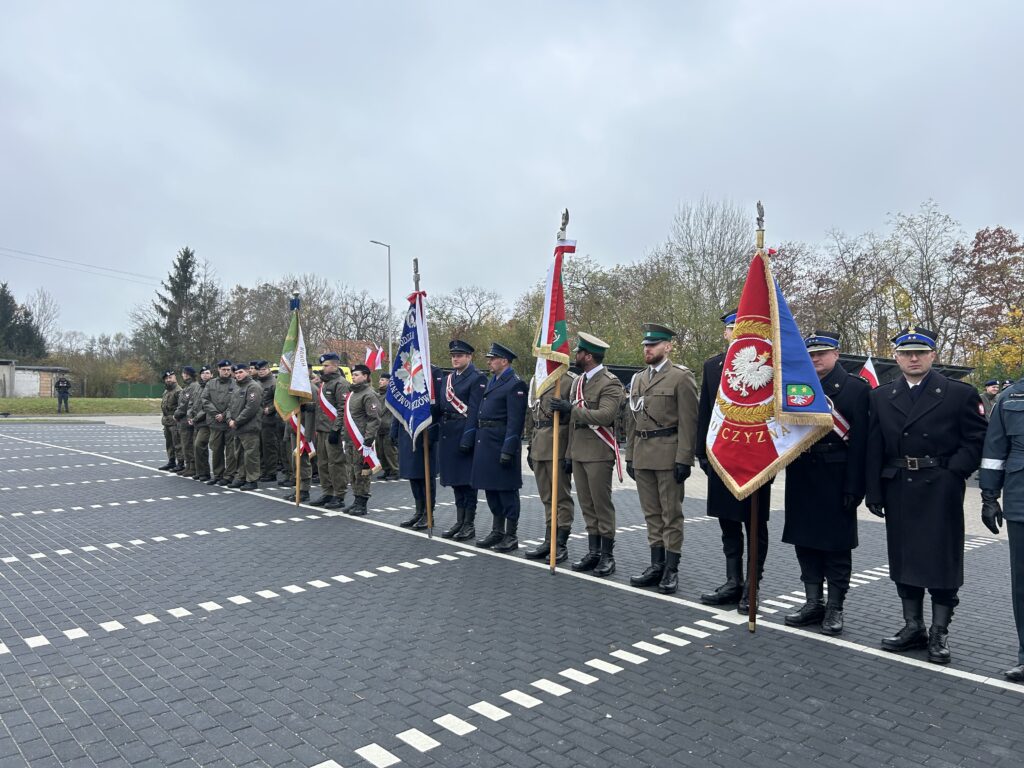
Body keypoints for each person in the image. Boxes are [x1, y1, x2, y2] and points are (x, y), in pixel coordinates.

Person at [865, 326, 987, 664]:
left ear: (933, 355)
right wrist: (873, 489)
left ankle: (939, 631)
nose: (913, 358)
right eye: (906, 353)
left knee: (942, 561)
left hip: (940, 488)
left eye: (920, 352)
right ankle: (912, 626)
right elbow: (874, 445)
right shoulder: (881, 395)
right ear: (897, 357)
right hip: (899, 487)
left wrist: (954, 472)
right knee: (905, 559)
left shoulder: (958, 393)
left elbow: (977, 439)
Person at [780, 331, 870, 635]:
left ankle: (835, 607)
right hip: (803, 473)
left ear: (837, 353)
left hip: (837, 476)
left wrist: (855, 487)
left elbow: (862, 444)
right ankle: (812, 602)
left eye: (822, 353)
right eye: (812, 354)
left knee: (836, 548)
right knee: (805, 543)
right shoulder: (796, 387)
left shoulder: (856, 390)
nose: (816, 358)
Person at [696, 309, 773, 612]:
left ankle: (753, 585)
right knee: (728, 522)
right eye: (731, 328)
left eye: (741, 327)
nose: (735, 332)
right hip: (722, 456)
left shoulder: (769, 365)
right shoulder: (713, 366)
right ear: (726, 333)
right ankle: (733, 581)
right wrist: (701, 452)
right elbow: (705, 411)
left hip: (756, 456)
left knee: (754, 525)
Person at [625, 323, 699, 594]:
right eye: (645, 345)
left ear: (667, 347)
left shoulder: (681, 377)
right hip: (643, 453)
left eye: (653, 345)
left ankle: (671, 569)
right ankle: (656, 565)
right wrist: (630, 455)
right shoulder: (638, 379)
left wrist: (684, 459)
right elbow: (632, 421)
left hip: (668, 453)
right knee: (651, 514)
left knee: (671, 515)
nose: (647, 349)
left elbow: (689, 422)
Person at [551, 333, 626, 574]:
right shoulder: (578, 382)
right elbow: (574, 424)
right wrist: (569, 453)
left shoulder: (610, 383)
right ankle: (593, 552)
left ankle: (607, 555)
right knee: (587, 504)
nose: (575, 355)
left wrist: (571, 409)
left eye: (579, 352)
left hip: (598, 451)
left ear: (589, 356)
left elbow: (606, 416)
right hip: (580, 450)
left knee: (601, 505)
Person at [978, 376, 1024, 681]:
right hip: (1021, 503)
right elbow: (994, 451)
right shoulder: (1011, 397)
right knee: (1022, 585)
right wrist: (989, 496)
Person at [472, 342, 529, 553]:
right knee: (491, 489)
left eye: (492, 358)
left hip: (501, 443)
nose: (489, 361)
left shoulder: (515, 384)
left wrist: (508, 448)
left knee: (506, 491)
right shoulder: (493, 381)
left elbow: (515, 421)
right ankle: (497, 530)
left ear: (504, 361)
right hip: (486, 442)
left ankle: (511, 535)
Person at [525, 360, 576, 563]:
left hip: (558, 443)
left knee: (561, 498)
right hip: (540, 444)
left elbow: (573, 422)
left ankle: (560, 544)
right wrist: (530, 446)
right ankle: (549, 540)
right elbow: (533, 417)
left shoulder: (569, 381)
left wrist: (570, 452)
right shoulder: (536, 380)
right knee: (547, 497)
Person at [438, 340, 488, 540]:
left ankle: (469, 524)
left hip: (463, 432)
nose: (455, 358)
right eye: (453, 355)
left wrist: (468, 437)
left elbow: (475, 411)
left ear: (469, 357)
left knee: (467, 483)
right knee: (455, 482)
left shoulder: (477, 378)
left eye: (459, 355)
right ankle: (459, 521)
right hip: (448, 433)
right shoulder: (448, 379)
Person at [393, 365, 442, 529]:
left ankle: (428, 514)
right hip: (407, 429)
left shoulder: (432, 372)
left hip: (424, 431)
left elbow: (437, 405)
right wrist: (394, 430)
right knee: (413, 474)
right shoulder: (405, 370)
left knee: (425, 475)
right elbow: (399, 401)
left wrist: (433, 433)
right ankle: (419, 511)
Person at [310, 353, 351, 509]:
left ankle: (339, 495)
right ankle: (327, 492)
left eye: (326, 365)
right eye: (323, 365)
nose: (323, 368)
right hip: (321, 429)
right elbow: (322, 406)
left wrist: (336, 429)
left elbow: (342, 408)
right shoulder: (324, 384)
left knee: (336, 463)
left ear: (335, 365)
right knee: (323, 463)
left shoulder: (341, 384)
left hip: (333, 431)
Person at [341, 364, 381, 516]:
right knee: (352, 471)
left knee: (362, 473)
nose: (353, 377)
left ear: (365, 376)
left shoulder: (369, 394)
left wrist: (368, 441)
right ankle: (356, 500)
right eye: (352, 374)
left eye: (357, 374)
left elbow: (374, 419)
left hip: (362, 441)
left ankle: (362, 503)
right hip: (350, 440)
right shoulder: (352, 393)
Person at [226, 363, 264, 490]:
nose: (238, 375)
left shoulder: (253, 387)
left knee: (250, 455)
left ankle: (252, 479)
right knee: (239, 454)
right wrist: (229, 418)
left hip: (249, 427)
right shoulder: (236, 387)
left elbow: (251, 408)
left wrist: (236, 421)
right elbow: (230, 405)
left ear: (248, 372)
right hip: (237, 427)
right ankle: (241, 477)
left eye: (240, 372)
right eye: (236, 373)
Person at [203, 360, 237, 486]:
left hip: (229, 423)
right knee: (216, 449)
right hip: (214, 422)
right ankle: (217, 474)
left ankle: (229, 475)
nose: (227, 372)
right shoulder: (211, 383)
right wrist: (215, 413)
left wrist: (224, 415)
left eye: (228, 369)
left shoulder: (235, 383)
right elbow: (205, 399)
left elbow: (235, 402)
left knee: (231, 451)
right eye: (224, 369)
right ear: (218, 369)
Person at [256, 361, 282, 482]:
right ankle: (262, 471)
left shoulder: (274, 383)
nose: (261, 372)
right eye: (259, 370)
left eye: (263, 369)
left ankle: (271, 472)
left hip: (270, 419)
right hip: (258, 419)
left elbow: (280, 400)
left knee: (269, 447)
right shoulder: (257, 383)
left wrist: (270, 409)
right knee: (260, 446)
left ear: (268, 370)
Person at [173, 366, 200, 477]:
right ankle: (188, 466)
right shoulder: (189, 386)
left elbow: (184, 404)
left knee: (187, 444)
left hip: (185, 420)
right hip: (184, 419)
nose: (182, 376)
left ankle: (192, 467)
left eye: (183, 374)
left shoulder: (192, 387)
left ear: (187, 374)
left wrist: (176, 414)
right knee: (185, 444)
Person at [190, 365, 213, 482]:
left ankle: (205, 472)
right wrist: (190, 415)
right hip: (196, 423)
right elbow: (192, 403)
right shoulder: (198, 387)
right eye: (203, 373)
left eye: (207, 373)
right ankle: (200, 472)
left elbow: (207, 407)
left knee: (199, 445)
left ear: (212, 375)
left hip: (206, 423)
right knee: (197, 448)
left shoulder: (212, 386)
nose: (205, 375)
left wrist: (195, 418)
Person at [376, 373, 399, 480]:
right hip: (379, 427)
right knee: (380, 451)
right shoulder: (378, 394)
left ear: (389, 382)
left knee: (390, 450)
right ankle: (387, 470)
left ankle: (395, 470)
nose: (380, 381)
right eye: (380, 379)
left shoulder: (391, 394)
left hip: (388, 425)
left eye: (383, 379)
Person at [159, 370, 183, 471]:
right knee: (169, 443)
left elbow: (181, 407)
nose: (168, 380)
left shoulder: (178, 391)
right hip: (166, 422)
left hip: (175, 422)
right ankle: (171, 461)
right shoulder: (166, 391)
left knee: (177, 443)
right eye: (166, 378)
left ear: (175, 378)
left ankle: (181, 463)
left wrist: (176, 418)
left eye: (170, 377)